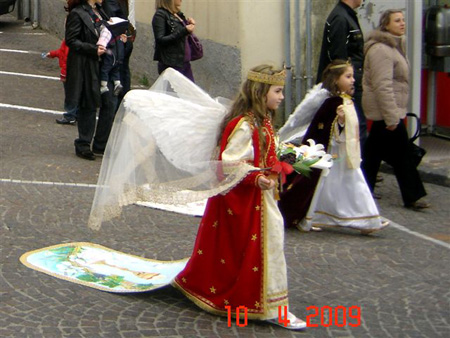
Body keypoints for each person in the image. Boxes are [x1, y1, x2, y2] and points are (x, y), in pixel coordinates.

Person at [171, 65, 306, 329]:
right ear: (260, 92)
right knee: (265, 247)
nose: (281, 97)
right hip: (248, 200)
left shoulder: (263, 120)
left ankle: (272, 303)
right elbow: (230, 163)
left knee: (269, 244)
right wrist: (257, 177)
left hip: (262, 198)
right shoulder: (245, 125)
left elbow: (264, 153)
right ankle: (270, 306)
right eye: (277, 91)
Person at [278, 59, 388, 235]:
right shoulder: (331, 103)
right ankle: (366, 220)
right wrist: (340, 122)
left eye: (352, 76)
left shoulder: (346, 100)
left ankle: (367, 219)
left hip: (346, 153)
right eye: (348, 76)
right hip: (334, 154)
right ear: (336, 79)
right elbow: (322, 128)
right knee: (344, 185)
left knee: (347, 185)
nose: (353, 80)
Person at [361, 9, 430, 210]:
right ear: (386, 25)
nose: (402, 23)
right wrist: (392, 117)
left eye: (403, 20)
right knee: (403, 156)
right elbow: (383, 85)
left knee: (373, 155)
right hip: (386, 112)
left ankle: (362, 191)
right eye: (397, 20)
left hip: (389, 111)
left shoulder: (393, 46)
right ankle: (412, 196)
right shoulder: (381, 50)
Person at [65, 0, 115, 160]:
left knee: (109, 103)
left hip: (104, 65)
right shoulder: (77, 13)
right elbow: (71, 40)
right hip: (87, 64)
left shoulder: (100, 11)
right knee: (89, 103)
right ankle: (83, 143)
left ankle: (100, 144)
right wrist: (93, 49)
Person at [316, 0, 367, 148]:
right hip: (345, 90)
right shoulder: (340, 18)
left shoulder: (347, 16)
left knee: (358, 131)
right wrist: (345, 90)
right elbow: (338, 61)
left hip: (351, 86)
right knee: (354, 134)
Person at [152, 0, 196, 82]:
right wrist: (184, 31)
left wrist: (189, 25)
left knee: (189, 93)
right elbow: (160, 39)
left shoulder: (178, 14)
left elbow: (182, 35)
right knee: (173, 93)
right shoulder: (160, 15)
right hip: (172, 64)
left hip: (184, 62)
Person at [102, 0, 136, 106]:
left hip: (117, 42)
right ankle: (120, 105)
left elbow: (111, 19)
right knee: (121, 74)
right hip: (122, 39)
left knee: (117, 74)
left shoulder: (111, 3)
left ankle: (117, 106)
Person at [43, 39, 78, 125]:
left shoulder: (71, 40)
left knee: (70, 95)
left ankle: (70, 116)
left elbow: (67, 58)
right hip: (71, 72)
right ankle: (75, 114)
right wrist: (52, 54)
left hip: (69, 73)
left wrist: (63, 74)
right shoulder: (68, 40)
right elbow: (62, 52)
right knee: (73, 94)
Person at [96, 19, 125, 96]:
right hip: (118, 56)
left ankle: (103, 86)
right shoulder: (119, 32)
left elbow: (103, 40)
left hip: (110, 55)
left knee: (105, 70)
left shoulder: (107, 30)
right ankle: (117, 83)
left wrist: (100, 47)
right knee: (115, 70)